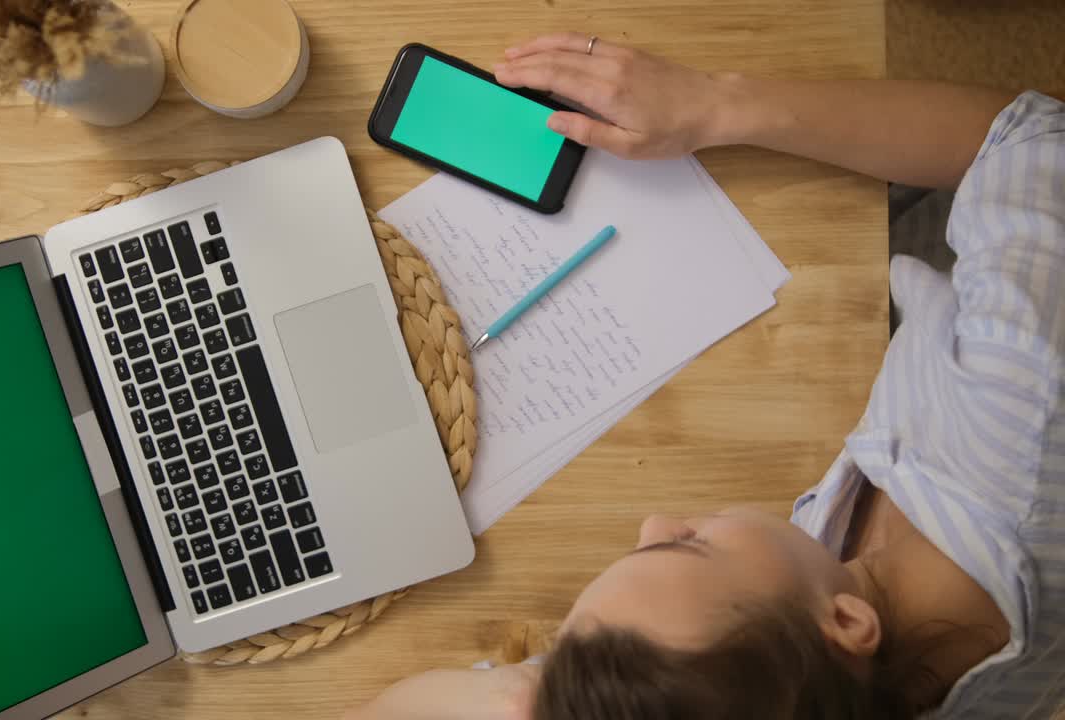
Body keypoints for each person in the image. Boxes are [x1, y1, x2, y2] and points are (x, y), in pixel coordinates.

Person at [346, 32, 1065, 720]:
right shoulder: (1021, 396)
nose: (653, 521)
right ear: (846, 622)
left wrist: (525, 696)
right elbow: (1030, 136)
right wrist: (719, 106)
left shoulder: (776, 680)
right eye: (686, 545)